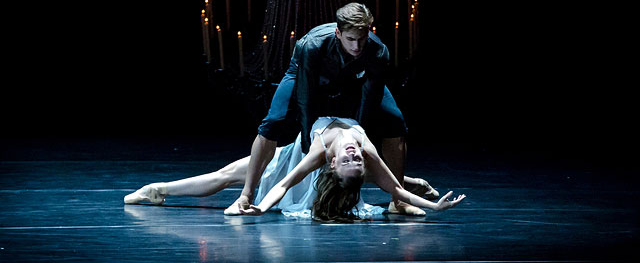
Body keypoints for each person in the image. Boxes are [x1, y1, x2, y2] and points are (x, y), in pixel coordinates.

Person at [226, 3, 430, 216]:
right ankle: (246, 196)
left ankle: (398, 201)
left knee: (395, 121)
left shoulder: (378, 52)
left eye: (362, 39)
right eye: (350, 39)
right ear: (338, 33)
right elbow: (305, 97)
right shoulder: (312, 46)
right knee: (273, 122)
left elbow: (369, 97)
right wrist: (309, 142)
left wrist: (358, 134)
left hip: (351, 77)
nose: (357, 46)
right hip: (304, 75)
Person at [124, 117, 466, 221]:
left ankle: (158, 189)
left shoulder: (323, 153)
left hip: (290, 159)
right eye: (355, 159)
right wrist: (427, 200)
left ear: (332, 164)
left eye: (350, 160)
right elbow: (395, 188)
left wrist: (260, 207)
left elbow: (285, 183)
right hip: (297, 157)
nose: (352, 155)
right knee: (228, 175)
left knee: (226, 176)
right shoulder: (365, 151)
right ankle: (158, 190)